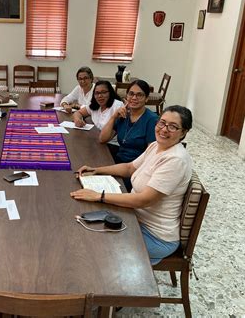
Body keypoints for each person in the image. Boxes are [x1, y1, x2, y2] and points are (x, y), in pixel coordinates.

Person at [71, 105, 193, 265]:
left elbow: (144, 200)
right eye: (162, 123)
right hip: (135, 218)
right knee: (83, 225)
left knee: (94, 247)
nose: (164, 129)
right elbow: (129, 167)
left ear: (183, 132)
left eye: (173, 126)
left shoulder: (175, 160)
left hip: (155, 235)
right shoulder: (156, 146)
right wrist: (96, 170)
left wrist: (98, 196)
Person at [99, 79, 158, 164]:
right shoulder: (123, 114)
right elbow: (102, 139)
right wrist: (113, 117)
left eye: (139, 95)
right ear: (126, 96)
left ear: (147, 98)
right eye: (131, 94)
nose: (134, 98)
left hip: (136, 166)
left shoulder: (152, 120)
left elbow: (151, 155)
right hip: (119, 159)